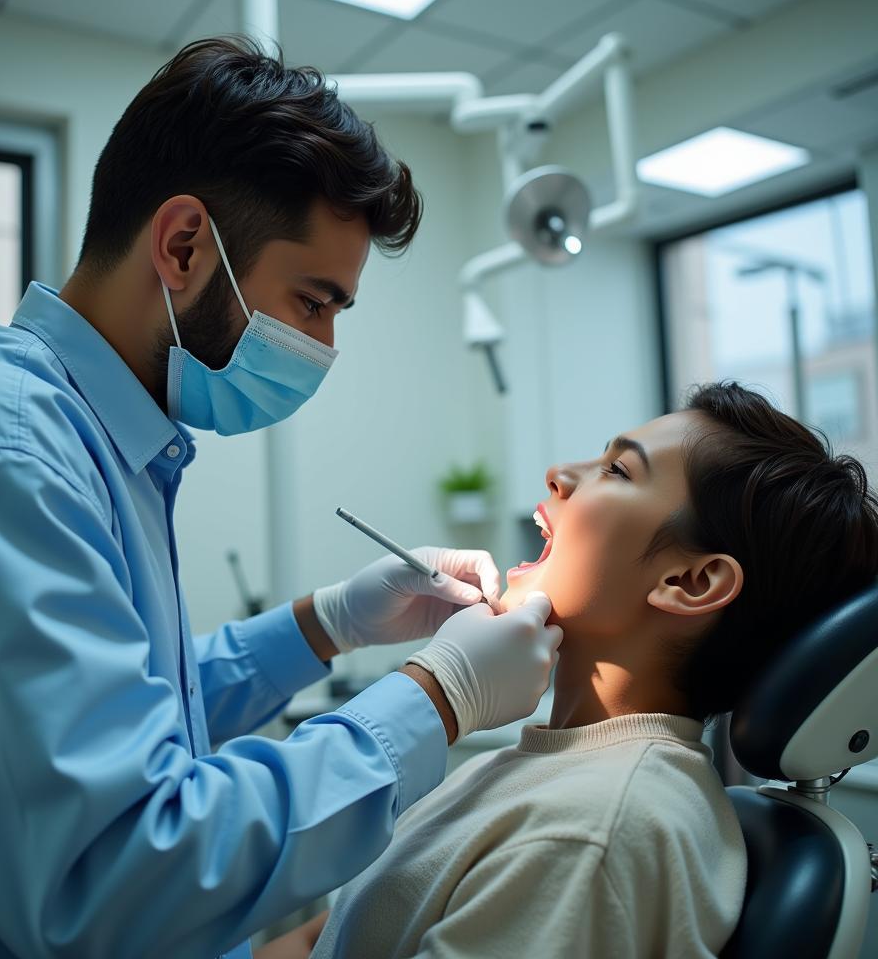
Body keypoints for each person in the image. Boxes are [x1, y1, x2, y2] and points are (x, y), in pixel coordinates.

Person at [0, 37, 562, 958]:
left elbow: (129, 717)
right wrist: (438, 695)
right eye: (314, 303)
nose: (325, 347)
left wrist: (329, 623)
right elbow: (112, 877)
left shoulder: (96, 440)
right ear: (185, 246)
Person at [310, 381, 878, 958]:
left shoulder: (590, 832)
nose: (559, 473)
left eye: (617, 471)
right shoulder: (547, 772)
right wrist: (323, 623)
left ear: (689, 583)